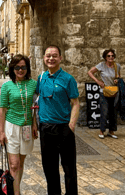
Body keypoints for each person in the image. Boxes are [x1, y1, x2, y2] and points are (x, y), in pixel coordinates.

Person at [36, 45, 80, 195]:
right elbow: (36, 98)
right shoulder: (41, 78)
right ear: (44, 58)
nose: (51, 58)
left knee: (69, 168)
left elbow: (75, 103)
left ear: (60, 58)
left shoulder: (68, 79)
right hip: (46, 129)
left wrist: (71, 126)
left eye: (54, 55)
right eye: (48, 55)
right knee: (49, 168)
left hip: (64, 128)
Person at [0, 54, 38, 195]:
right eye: (17, 67)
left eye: (23, 67)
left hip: (27, 127)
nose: (20, 70)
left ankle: (15, 189)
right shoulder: (7, 86)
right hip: (11, 127)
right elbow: (2, 109)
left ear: (27, 68)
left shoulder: (33, 84)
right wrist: (1, 132)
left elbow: (35, 106)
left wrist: (34, 124)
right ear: (12, 68)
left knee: (20, 164)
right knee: (14, 164)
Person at [87, 49, 121, 139]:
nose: (111, 57)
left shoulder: (117, 66)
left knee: (113, 112)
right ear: (105, 57)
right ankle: (102, 131)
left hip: (114, 91)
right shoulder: (101, 65)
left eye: (112, 56)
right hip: (104, 91)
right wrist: (97, 81)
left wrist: (117, 80)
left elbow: (119, 77)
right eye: (109, 56)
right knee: (104, 111)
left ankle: (111, 131)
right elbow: (90, 72)